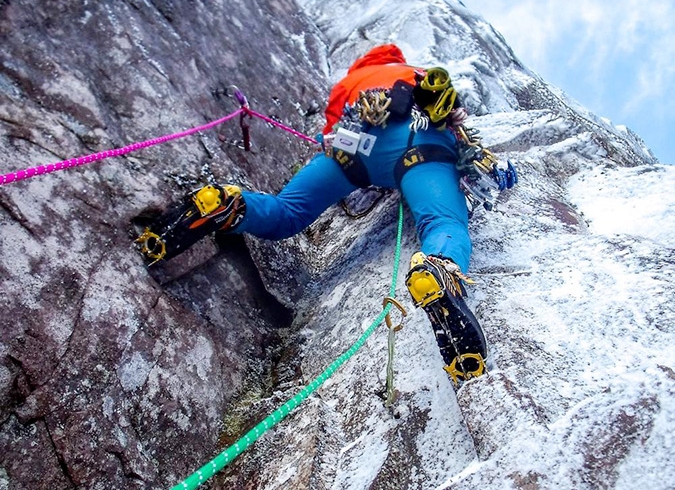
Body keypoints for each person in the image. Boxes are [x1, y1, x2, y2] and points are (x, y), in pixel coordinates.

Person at [136, 44, 517, 386]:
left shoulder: (350, 82)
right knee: (444, 223)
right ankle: (438, 267)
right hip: (421, 141)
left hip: (352, 149)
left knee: (286, 214)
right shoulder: (409, 71)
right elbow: (453, 117)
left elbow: (330, 129)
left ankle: (225, 204)